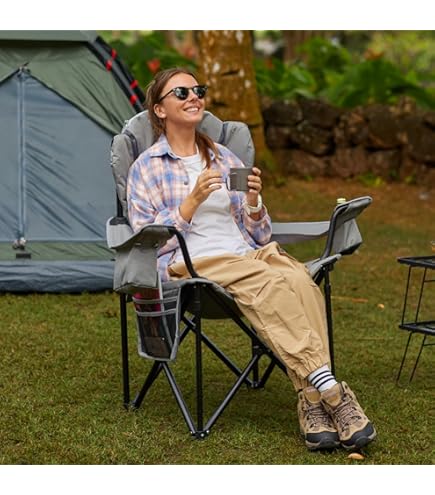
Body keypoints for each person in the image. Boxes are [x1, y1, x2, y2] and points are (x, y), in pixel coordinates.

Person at [126, 67, 377, 452]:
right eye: (181, 93)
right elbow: (147, 240)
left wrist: (255, 203)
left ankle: (312, 401)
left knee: (298, 280)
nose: (194, 97)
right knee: (271, 282)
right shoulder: (146, 167)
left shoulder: (223, 156)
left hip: (246, 254)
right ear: (159, 109)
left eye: (198, 90)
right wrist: (191, 203)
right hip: (193, 264)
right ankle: (333, 393)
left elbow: (259, 234)